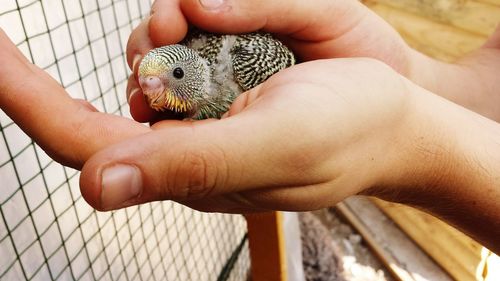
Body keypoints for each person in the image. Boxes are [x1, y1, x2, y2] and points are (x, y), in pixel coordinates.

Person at [0, 0, 498, 253]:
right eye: (148, 80)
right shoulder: (186, 77)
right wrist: (415, 80)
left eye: (164, 79)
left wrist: (407, 135)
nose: (149, 90)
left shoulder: (242, 70)